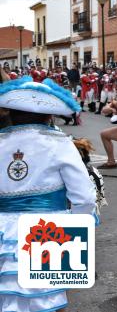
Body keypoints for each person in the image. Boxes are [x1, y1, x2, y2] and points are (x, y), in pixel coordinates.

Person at [0, 76, 97, 312]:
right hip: (49, 230)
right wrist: (79, 231)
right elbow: (84, 197)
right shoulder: (59, 142)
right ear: (48, 116)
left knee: (7, 299)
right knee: (50, 300)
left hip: (2, 232)